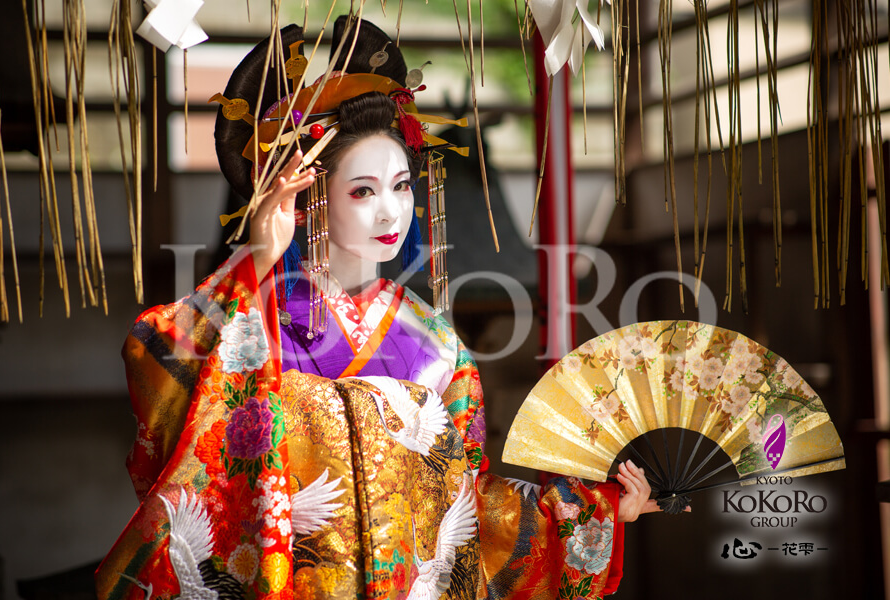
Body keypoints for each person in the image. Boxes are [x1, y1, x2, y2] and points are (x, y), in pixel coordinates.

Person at [95, 17, 659, 600]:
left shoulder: (437, 346)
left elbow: (463, 509)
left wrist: (594, 512)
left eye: (402, 185)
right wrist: (261, 256)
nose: (391, 212)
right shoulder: (249, 320)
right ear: (310, 200)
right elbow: (156, 357)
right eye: (363, 191)